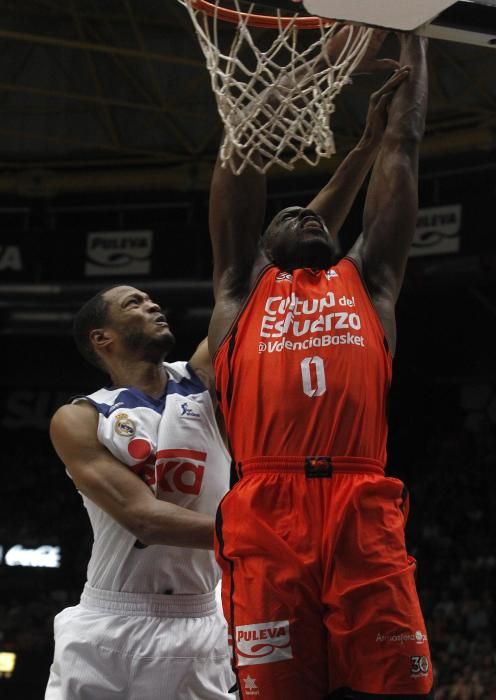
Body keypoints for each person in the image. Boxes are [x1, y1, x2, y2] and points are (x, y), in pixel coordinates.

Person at [209, 33, 432, 700]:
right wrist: (272, 91)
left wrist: (414, 32)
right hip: (265, 508)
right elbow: (241, 154)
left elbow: (404, 143)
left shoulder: (370, 283)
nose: (307, 213)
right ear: (261, 248)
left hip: (360, 502)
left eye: (314, 213)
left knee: (399, 690)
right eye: (290, 214)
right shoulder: (238, 295)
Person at [45, 284, 235, 699]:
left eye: (152, 300)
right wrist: (266, 535)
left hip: (199, 619)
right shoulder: (81, 418)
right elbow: (145, 519)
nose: (153, 305)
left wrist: (305, 222)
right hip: (108, 623)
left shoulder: (204, 380)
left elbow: (246, 291)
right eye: (135, 303)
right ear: (102, 338)